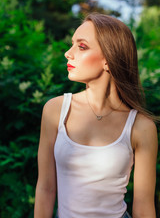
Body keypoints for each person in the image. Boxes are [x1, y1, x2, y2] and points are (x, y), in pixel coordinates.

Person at [34, 13, 158, 218]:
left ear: (109, 60)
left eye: (81, 47)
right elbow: (45, 189)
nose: (68, 53)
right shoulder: (55, 110)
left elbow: (144, 207)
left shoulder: (141, 127)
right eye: (72, 44)